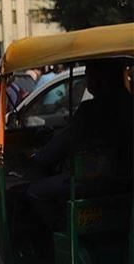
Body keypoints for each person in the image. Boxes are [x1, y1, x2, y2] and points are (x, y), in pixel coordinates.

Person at [27, 59, 133, 231]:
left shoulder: (91, 110)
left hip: (98, 182)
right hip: (124, 182)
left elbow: (60, 146)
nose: (86, 79)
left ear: (99, 78)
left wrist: (39, 157)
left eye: (88, 74)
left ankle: (63, 235)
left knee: (35, 192)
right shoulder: (129, 103)